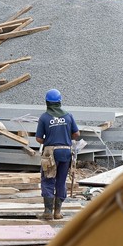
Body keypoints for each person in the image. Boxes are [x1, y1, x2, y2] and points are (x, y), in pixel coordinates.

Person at [35, 89, 80, 220]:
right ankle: (58, 212)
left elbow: (38, 138)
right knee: (61, 181)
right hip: (65, 152)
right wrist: (65, 136)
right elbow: (76, 134)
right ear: (60, 102)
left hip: (51, 153)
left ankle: (48, 212)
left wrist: (49, 140)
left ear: (47, 102)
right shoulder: (68, 116)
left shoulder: (44, 117)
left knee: (48, 179)